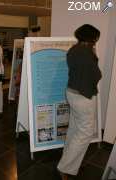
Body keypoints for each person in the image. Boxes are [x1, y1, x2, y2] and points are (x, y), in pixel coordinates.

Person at [57, 24, 102, 180]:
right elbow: (97, 75)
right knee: (85, 132)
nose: (97, 40)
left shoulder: (74, 49)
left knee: (75, 129)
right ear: (92, 37)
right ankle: (65, 166)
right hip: (83, 96)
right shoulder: (87, 52)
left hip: (72, 93)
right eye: (96, 37)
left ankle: (68, 162)